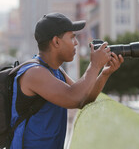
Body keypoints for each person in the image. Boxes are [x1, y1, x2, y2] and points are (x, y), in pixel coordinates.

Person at [10, 12, 124, 149]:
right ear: (56, 41)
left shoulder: (55, 71)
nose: (76, 43)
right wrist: (94, 65)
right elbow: (74, 97)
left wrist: (104, 73)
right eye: (72, 38)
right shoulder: (34, 73)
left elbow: (84, 98)